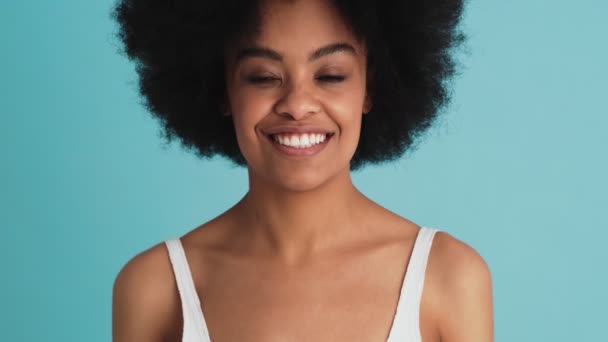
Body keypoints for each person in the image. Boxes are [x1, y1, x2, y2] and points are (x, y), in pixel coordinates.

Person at [111, 0, 494, 341]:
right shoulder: (157, 287)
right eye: (263, 76)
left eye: (330, 75)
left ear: (369, 88)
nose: (297, 104)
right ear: (223, 90)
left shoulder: (448, 277)